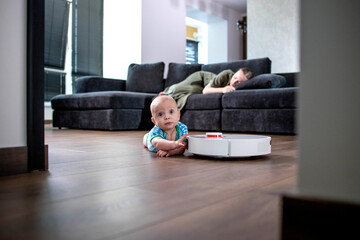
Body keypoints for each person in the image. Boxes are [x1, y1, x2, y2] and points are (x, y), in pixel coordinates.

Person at [160, 68, 253, 111]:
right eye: (235, 77)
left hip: (201, 87)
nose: (235, 81)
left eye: (239, 81)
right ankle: (167, 92)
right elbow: (205, 90)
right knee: (190, 89)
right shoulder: (226, 74)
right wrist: (223, 89)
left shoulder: (238, 88)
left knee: (192, 93)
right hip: (201, 79)